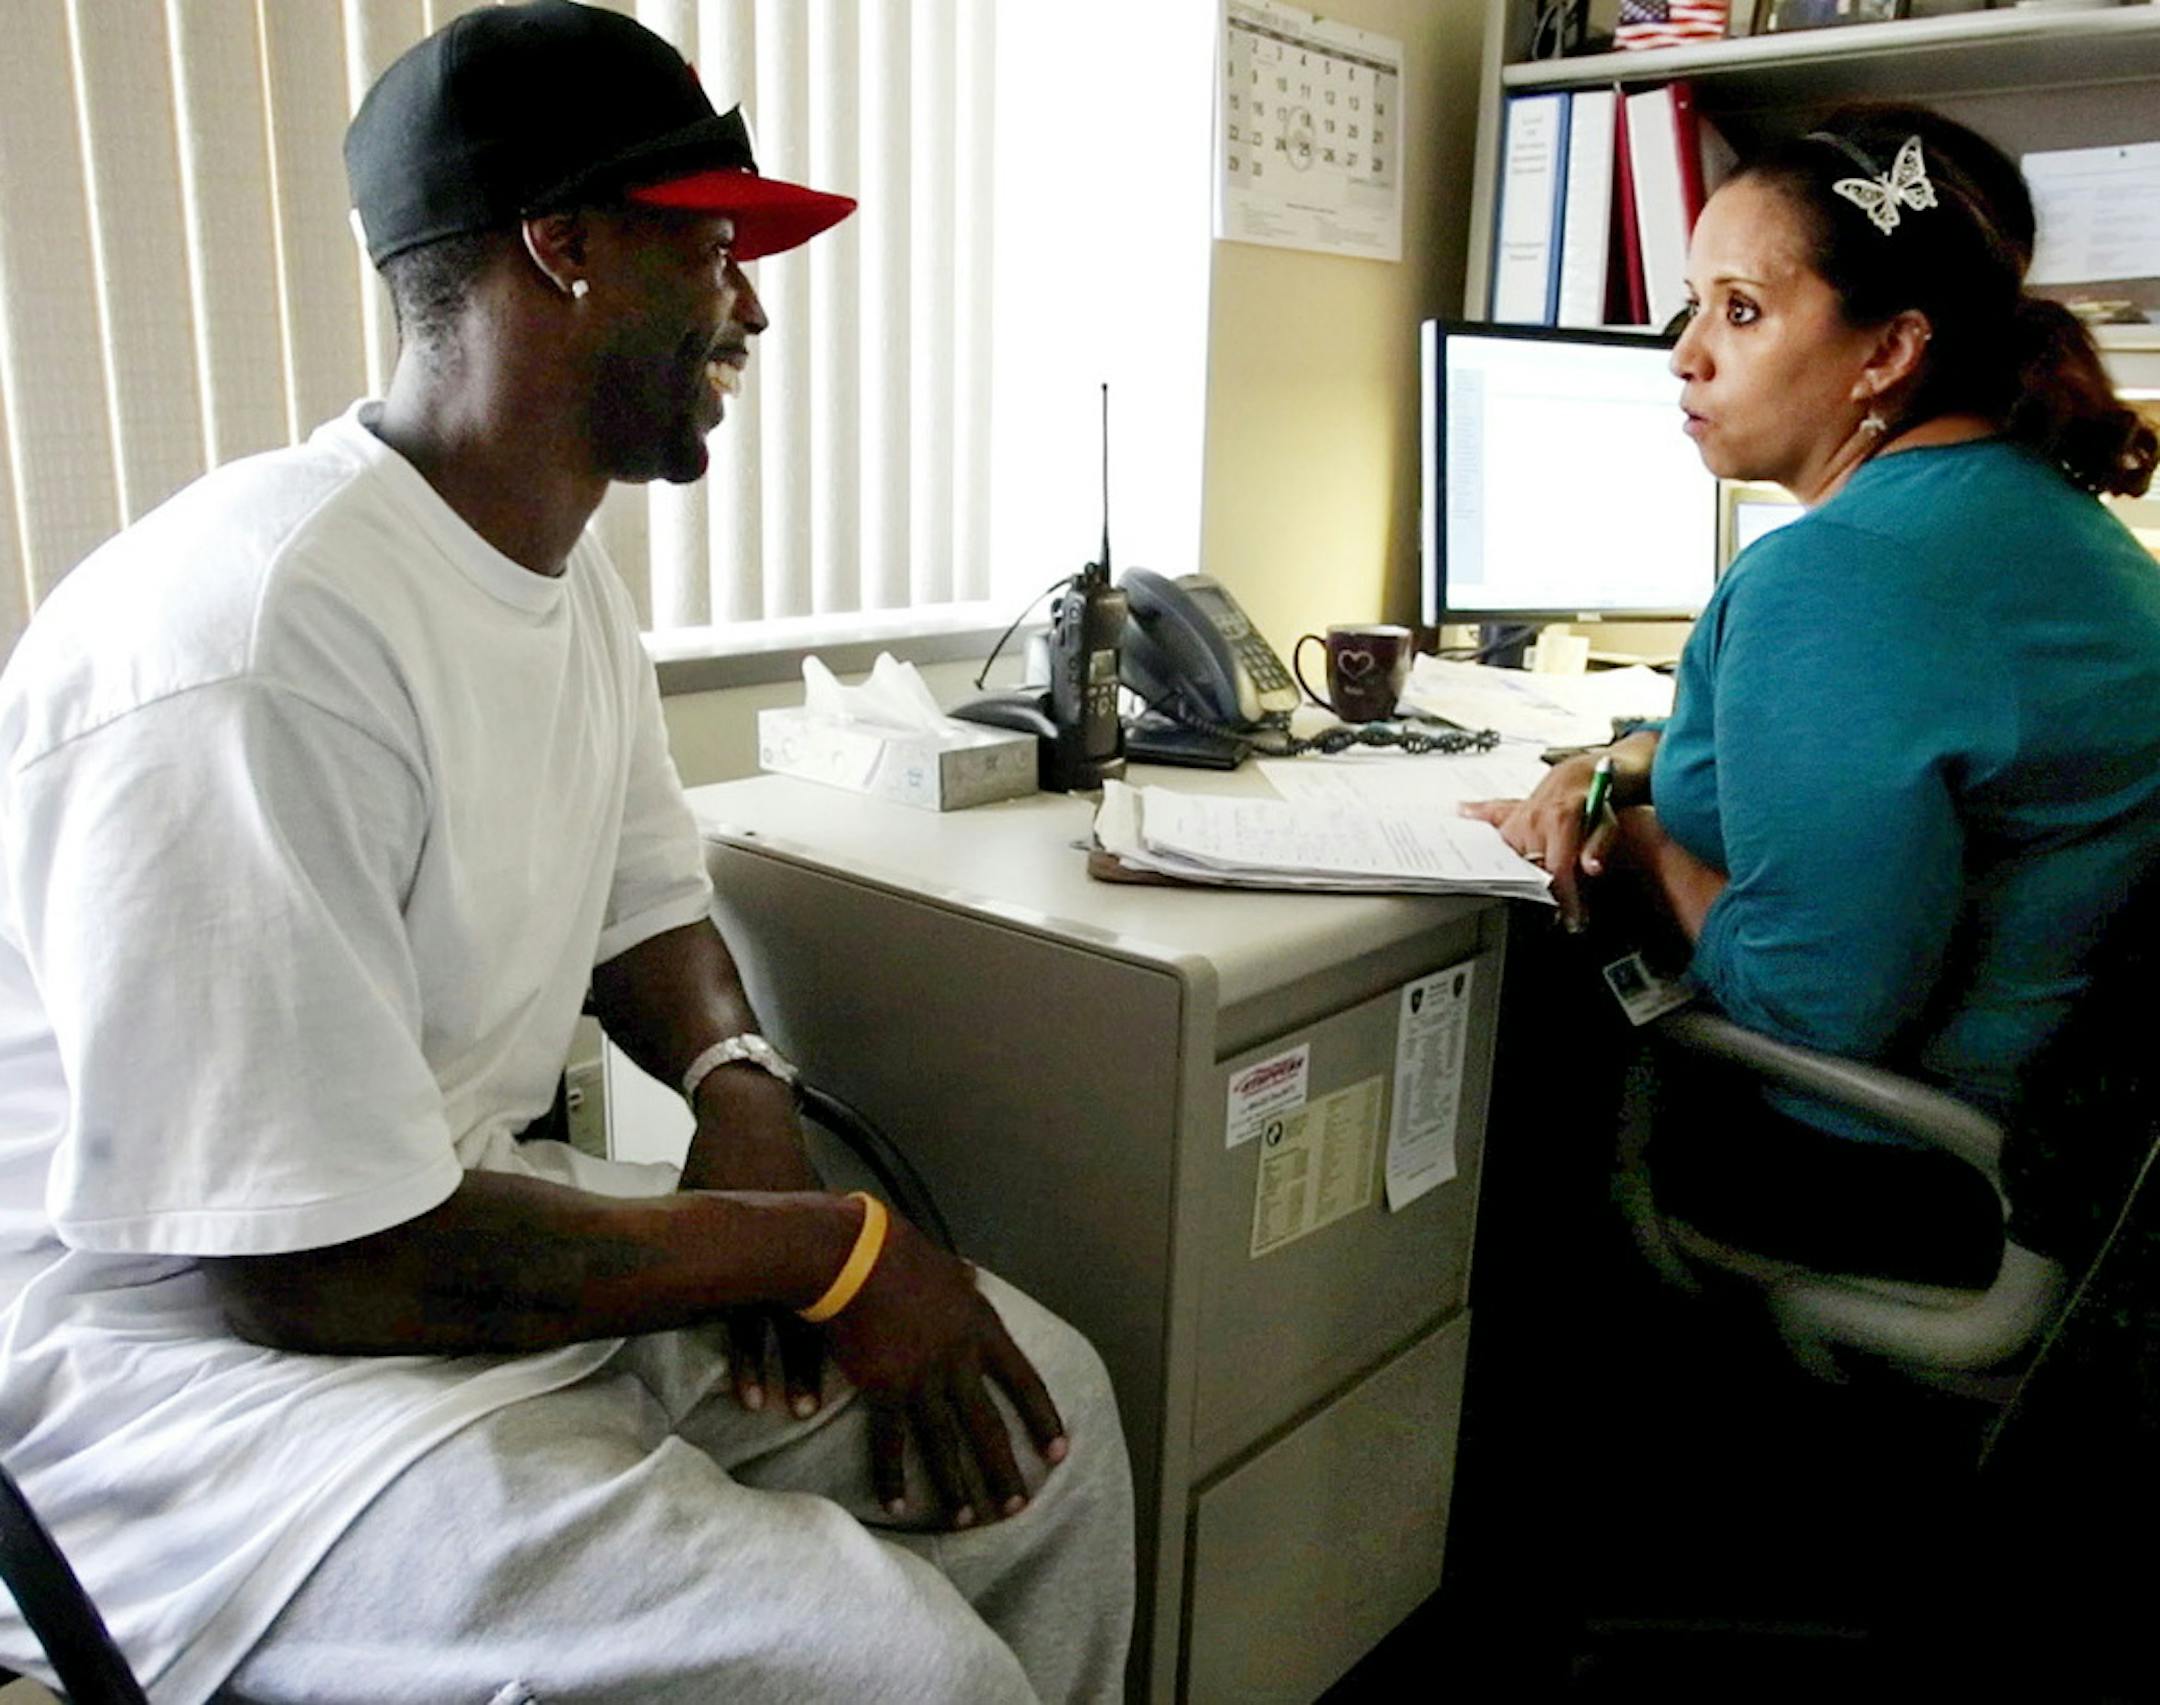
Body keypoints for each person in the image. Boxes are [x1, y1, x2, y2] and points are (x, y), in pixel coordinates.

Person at [0, 4, 1133, 1701]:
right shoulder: (249, 641)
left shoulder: (555, 573)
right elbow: (314, 1270)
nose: (751, 304)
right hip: (222, 1425)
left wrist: (744, 1103)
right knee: (903, 1672)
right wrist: (815, 1246)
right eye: (716, 250)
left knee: (1050, 1431)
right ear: (566, 243)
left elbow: (650, 910)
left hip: (464, 1275)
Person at [1464, 102, 2160, 1281]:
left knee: (1514, 1070)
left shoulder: (1842, 572)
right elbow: (1816, 741)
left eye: (1739, 310)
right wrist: (1616, 761)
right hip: (2083, 1169)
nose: (1686, 351)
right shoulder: (2029, 512)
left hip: (1912, 1168)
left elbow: (1814, 1007)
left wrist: (1630, 841)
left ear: (1886, 352)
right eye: (1692, 303)